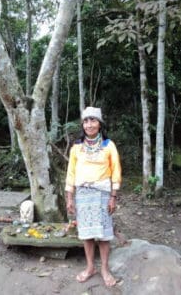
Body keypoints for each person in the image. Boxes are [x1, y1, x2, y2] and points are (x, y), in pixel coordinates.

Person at [65, 106, 122, 288]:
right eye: (86, 121)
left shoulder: (109, 145)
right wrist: (69, 198)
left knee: (104, 235)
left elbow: (116, 172)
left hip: (103, 195)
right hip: (82, 195)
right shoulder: (77, 147)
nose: (89, 124)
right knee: (87, 234)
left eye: (93, 120)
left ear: (99, 124)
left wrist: (113, 196)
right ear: (82, 124)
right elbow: (71, 173)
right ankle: (90, 268)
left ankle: (104, 269)